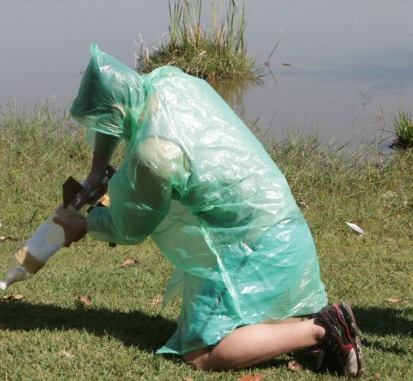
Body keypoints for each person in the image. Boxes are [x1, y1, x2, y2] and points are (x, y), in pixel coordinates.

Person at [53, 44, 364, 376]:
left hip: (253, 244)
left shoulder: (155, 152)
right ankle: (306, 329)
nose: (104, 128)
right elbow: (113, 113)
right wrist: (96, 170)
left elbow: (133, 223)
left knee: (201, 353)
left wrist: (85, 225)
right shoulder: (169, 82)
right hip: (277, 219)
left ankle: (322, 328)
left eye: (104, 121)